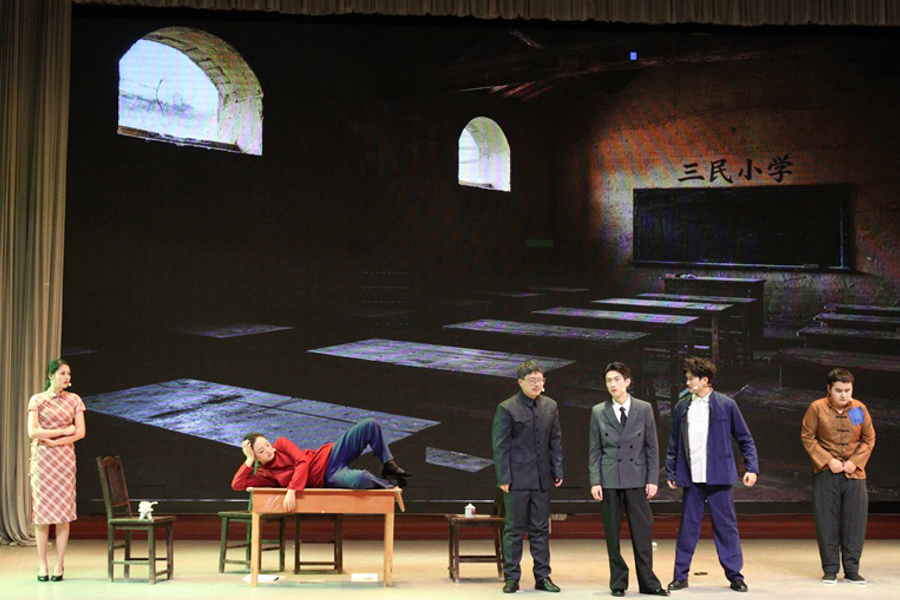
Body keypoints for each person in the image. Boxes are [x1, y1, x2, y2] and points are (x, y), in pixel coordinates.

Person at [665, 357, 758, 593]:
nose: (687, 382)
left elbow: (744, 438)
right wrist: (671, 470)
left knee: (726, 528)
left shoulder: (726, 405)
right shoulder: (682, 407)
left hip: (719, 478)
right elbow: (674, 442)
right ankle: (680, 576)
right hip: (692, 478)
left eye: (691, 379)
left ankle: (735, 575)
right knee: (687, 528)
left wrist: (751, 467)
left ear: (705, 380)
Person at [589, 362, 669, 597]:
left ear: (627, 381)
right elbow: (594, 450)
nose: (612, 384)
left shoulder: (643, 409)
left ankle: (648, 582)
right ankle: (618, 582)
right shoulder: (598, 411)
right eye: (608, 381)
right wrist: (595, 480)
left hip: (636, 477)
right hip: (609, 478)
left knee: (642, 533)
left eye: (616, 379)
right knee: (612, 535)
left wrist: (652, 479)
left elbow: (652, 447)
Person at [492, 360, 564, 594]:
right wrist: (504, 477)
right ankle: (512, 577)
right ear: (520, 382)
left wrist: (557, 470)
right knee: (514, 529)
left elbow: (555, 441)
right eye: (532, 380)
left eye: (540, 380)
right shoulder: (507, 407)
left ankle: (543, 577)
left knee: (541, 528)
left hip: (542, 478)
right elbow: (501, 446)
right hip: (517, 479)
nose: (537, 384)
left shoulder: (550, 406)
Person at [231, 418, 412, 511]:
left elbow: (303, 461)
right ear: (256, 456)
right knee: (362, 479)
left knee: (369, 425)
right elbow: (237, 484)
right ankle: (389, 485)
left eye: (267, 445)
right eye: (261, 451)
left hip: (329, 455)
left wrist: (292, 490)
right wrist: (248, 460)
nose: (268, 450)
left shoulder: (281, 444)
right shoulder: (266, 475)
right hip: (328, 477)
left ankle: (389, 464)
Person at [800, 368, 875, 585]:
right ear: (829, 389)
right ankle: (830, 568)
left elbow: (868, 439)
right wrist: (828, 460)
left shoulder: (858, 408)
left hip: (854, 473)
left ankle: (852, 569)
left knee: (854, 522)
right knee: (827, 520)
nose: (844, 395)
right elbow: (808, 436)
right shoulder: (817, 408)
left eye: (847, 390)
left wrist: (854, 462)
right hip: (827, 471)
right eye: (839, 390)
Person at [27, 358, 87, 582]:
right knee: (42, 514)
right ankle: (42, 564)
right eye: (62, 373)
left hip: (63, 460)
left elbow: (80, 432)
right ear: (50, 376)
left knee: (63, 515)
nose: (66, 377)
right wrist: (64, 431)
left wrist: (56, 441)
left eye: (68, 374)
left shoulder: (74, 400)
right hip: (43, 461)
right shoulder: (37, 399)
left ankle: (59, 564)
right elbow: (33, 432)